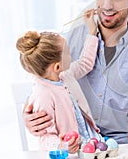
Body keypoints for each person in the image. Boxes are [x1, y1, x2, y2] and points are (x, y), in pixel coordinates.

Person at [23, 0, 128, 144]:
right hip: (75, 146)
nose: (107, 5)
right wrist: (31, 111)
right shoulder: (65, 43)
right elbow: (43, 79)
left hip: (119, 147)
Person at [17, 9, 100, 153]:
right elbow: (46, 136)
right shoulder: (43, 95)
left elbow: (86, 62)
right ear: (57, 66)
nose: (71, 54)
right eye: (67, 52)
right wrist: (62, 147)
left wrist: (92, 31)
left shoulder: (65, 75)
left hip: (92, 143)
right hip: (73, 153)